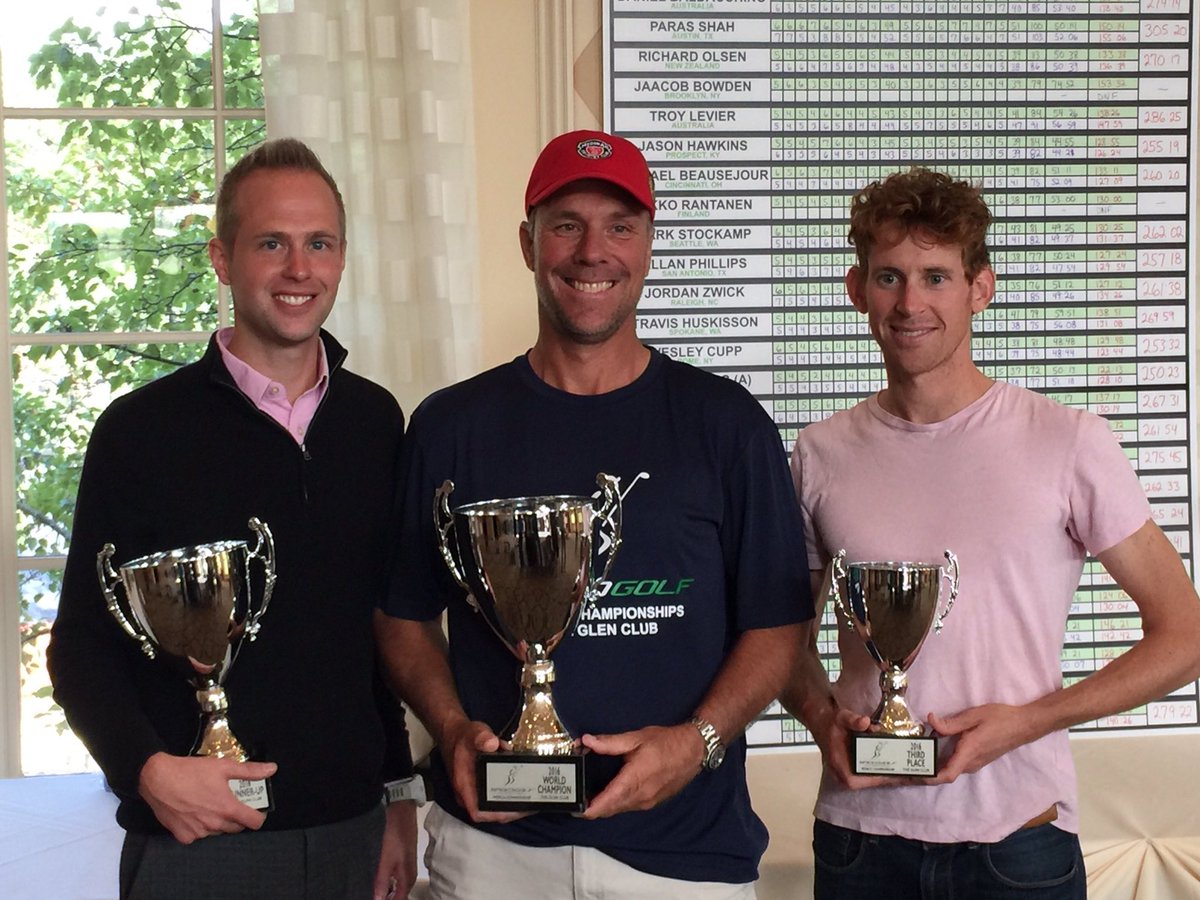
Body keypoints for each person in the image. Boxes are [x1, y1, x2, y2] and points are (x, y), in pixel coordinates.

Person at [376, 129, 812, 899]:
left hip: (684, 858)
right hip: (492, 855)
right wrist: (449, 731)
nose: (592, 252)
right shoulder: (449, 427)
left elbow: (776, 627)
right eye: (566, 224)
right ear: (528, 242)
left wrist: (698, 742)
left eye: (620, 226)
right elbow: (402, 617)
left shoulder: (727, 425)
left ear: (649, 245)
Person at [782, 167, 1200, 898]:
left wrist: (1027, 722)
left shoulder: (1068, 441)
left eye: (937, 277)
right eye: (890, 277)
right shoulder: (820, 453)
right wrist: (822, 720)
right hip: (861, 847)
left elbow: (1185, 635)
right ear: (857, 291)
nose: (911, 304)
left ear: (982, 288)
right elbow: (777, 636)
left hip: (1019, 846)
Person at [48, 138, 420, 900]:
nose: (299, 269)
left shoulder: (375, 422)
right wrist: (148, 775)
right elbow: (80, 645)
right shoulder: (140, 431)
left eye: (319, 243)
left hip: (352, 831)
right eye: (271, 244)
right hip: (201, 843)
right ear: (223, 259)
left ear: (342, 256)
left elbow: (376, 631)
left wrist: (398, 797)